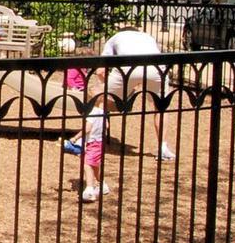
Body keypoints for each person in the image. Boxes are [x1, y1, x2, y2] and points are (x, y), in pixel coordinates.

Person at [101, 26, 175, 161]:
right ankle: (162, 147)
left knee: (99, 100)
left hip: (128, 67)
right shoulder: (148, 37)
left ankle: (90, 138)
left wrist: (107, 88)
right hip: (156, 68)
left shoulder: (115, 38)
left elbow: (100, 71)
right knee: (161, 107)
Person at [80, 74, 113, 202]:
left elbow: (87, 128)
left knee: (87, 164)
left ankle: (89, 189)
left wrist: (76, 137)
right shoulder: (103, 112)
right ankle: (102, 185)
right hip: (100, 142)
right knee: (95, 165)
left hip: (92, 142)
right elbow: (107, 126)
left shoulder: (92, 113)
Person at [61, 45, 93, 155]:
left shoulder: (82, 68)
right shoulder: (75, 67)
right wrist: (73, 88)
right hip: (76, 90)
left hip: (81, 88)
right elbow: (69, 78)